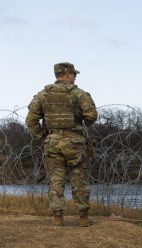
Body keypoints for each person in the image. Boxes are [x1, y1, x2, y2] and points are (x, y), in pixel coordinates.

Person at [26, 62, 98, 227]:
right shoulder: (79, 94)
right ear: (68, 74)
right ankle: (83, 218)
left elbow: (31, 121)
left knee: (55, 180)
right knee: (79, 179)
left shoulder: (42, 95)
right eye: (74, 74)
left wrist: (43, 136)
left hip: (52, 143)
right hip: (75, 143)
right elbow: (91, 117)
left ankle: (57, 218)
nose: (75, 77)